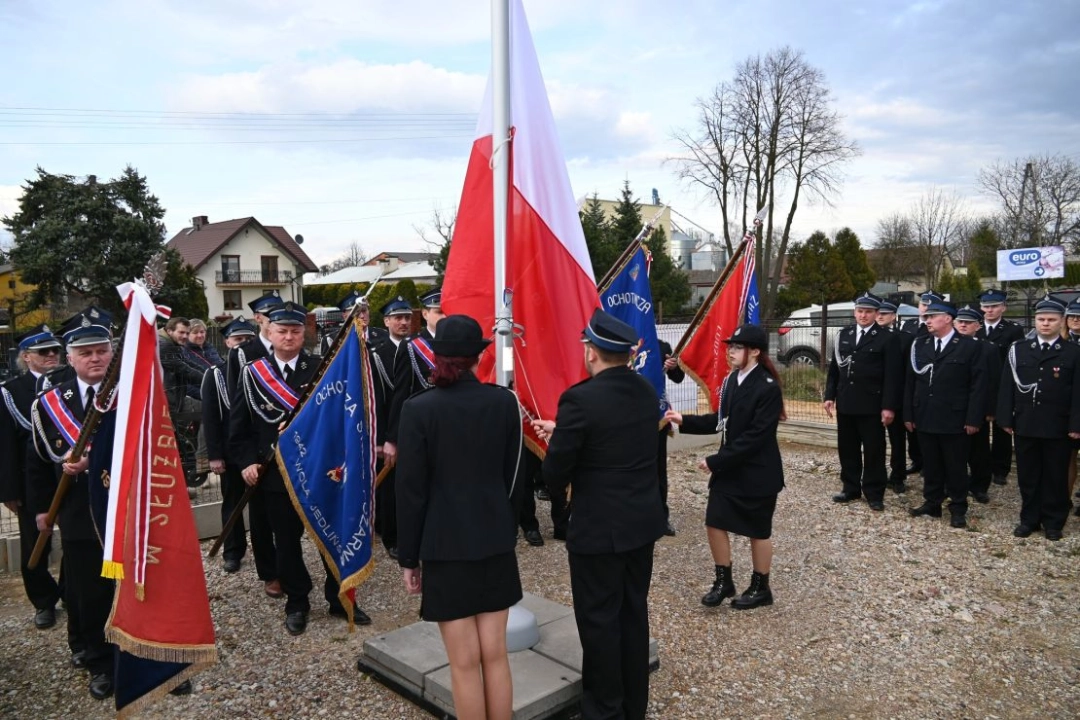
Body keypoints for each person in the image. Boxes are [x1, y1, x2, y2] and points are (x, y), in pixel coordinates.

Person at [536, 309, 665, 720]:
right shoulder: (645, 391)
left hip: (598, 529)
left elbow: (556, 474)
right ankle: (633, 706)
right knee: (632, 614)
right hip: (640, 523)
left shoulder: (580, 398)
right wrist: (566, 431)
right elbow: (619, 442)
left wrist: (560, 442)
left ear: (592, 352)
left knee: (598, 622)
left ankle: (604, 710)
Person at [396, 315, 523, 720]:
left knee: (465, 663)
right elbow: (514, 478)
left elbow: (411, 492)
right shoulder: (503, 402)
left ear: (437, 356)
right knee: (496, 656)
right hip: (494, 540)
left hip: (444, 544)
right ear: (477, 357)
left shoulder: (418, 409)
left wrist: (409, 557)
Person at [230, 302, 371, 634]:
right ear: (269, 332)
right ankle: (297, 602)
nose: (289, 336)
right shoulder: (253, 373)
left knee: (331, 535)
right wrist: (248, 460)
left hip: (321, 471)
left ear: (303, 334)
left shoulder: (322, 368)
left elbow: (338, 420)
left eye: (295, 331)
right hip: (277, 476)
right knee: (287, 541)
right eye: (282, 330)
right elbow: (239, 427)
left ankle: (340, 599)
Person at [25, 308, 117, 700]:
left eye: (102, 351)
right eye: (86, 353)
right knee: (91, 591)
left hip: (125, 510)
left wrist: (94, 461)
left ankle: (143, 654)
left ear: (112, 354)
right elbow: (37, 464)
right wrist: (44, 509)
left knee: (129, 587)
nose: (95, 358)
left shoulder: (130, 397)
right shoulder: (49, 403)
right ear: (70, 358)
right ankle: (100, 661)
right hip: (80, 516)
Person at [665, 324, 785, 612]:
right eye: (730, 346)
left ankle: (760, 587)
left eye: (737, 347)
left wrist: (715, 461)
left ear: (755, 352)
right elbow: (721, 421)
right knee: (715, 522)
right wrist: (685, 420)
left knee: (758, 531)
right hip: (731, 468)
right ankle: (723, 581)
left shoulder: (768, 387)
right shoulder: (733, 380)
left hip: (758, 471)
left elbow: (755, 437)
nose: (730, 351)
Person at [996, 298, 1080, 541]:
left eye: (1051, 320)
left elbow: (1077, 392)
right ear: (1035, 321)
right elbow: (1007, 386)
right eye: (1041, 319)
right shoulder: (1020, 349)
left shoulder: (1072, 352)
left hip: (1058, 424)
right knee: (1028, 475)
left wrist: (1076, 424)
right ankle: (1029, 519)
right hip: (1026, 422)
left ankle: (1054, 522)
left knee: (1055, 475)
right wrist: (1005, 418)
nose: (1045, 324)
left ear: (1061, 322)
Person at [0, 325, 64, 631]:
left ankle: (72, 592)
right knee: (35, 546)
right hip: (30, 481)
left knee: (80, 541)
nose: (52, 355)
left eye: (55, 350)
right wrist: (9, 489)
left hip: (69, 475)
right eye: (44, 352)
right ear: (26, 357)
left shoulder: (69, 382)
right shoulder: (11, 391)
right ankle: (43, 601)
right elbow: (5, 443)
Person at [904, 299, 986, 529]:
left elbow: (978, 385)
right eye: (926, 317)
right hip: (925, 414)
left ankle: (958, 507)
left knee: (956, 465)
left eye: (932, 316)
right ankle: (932, 502)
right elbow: (911, 382)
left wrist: (973, 418)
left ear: (948, 318)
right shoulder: (920, 344)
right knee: (931, 463)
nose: (927, 320)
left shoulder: (969, 346)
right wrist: (909, 414)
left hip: (955, 417)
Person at [824, 293, 900, 511]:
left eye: (868, 311)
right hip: (847, 401)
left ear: (876, 314)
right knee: (847, 448)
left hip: (872, 404)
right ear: (855, 312)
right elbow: (834, 370)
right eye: (860, 311)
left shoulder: (887, 338)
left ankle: (874, 492)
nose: (863, 315)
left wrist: (888, 406)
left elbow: (892, 376)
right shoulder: (844, 335)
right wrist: (830, 395)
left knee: (874, 450)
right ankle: (850, 488)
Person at [201, 316, 264, 575]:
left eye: (248, 339)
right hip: (229, 454)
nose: (243, 344)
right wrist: (214, 455)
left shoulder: (263, 371)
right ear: (227, 343)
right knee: (232, 504)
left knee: (263, 509)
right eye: (238, 340)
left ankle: (266, 555)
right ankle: (233, 552)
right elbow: (211, 418)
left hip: (258, 454)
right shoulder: (215, 375)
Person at [384, 287, 444, 470]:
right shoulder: (412, 346)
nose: (444, 316)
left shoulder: (456, 341)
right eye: (438, 312)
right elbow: (401, 392)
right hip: (423, 427)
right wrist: (392, 438)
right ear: (425, 314)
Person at [976, 289, 1027, 487]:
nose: (990, 310)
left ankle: (1000, 469)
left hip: (1002, 385)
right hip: (980, 385)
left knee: (1002, 429)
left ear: (1003, 307)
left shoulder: (1013, 330)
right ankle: (981, 466)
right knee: (978, 429)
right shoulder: (976, 327)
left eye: (994, 306)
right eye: (986, 306)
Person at [952, 305, 1001, 505]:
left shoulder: (988, 348)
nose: (963, 325)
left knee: (979, 451)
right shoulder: (949, 345)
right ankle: (955, 484)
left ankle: (979, 486)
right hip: (954, 407)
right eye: (960, 321)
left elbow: (993, 380)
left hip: (978, 407)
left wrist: (990, 409)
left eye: (968, 322)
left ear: (978, 326)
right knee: (954, 450)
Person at [899, 290, 941, 476]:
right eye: (923, 305)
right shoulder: (908, 325)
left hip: (927, 379)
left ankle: (929, 463)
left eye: (930, 306)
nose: (925, 309)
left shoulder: (935, 329)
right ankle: (916, 460)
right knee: (912, 427)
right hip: (910, 377)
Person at [877, 301, 912, 492]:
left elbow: (906, 371)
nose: (880, 316)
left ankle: (898, 476)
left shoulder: (905, 339)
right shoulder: (870, 336)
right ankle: (876, 474)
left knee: (897, 440)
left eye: (885, 313)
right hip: (873, 395)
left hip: (895, 396)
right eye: (878, 313)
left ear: (894, 315)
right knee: (874, 439)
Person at [658, 339, 685, 535]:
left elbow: (678, 378)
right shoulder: (625, 344)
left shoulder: (662, 347)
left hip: (656, 418)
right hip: (626, 417)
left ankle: (660, 518)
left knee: (658, 470)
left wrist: (674, 366)